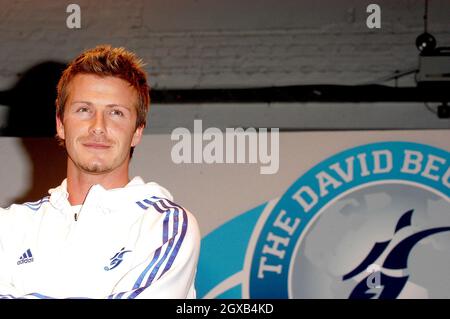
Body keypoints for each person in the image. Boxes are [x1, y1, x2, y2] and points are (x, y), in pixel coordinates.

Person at [0, 45, 201, 299]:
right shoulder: (9, 227)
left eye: (116, 113)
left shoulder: (165, 226)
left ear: (137, 131)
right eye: (84, 110)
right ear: (61, 125)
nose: (98, 127)